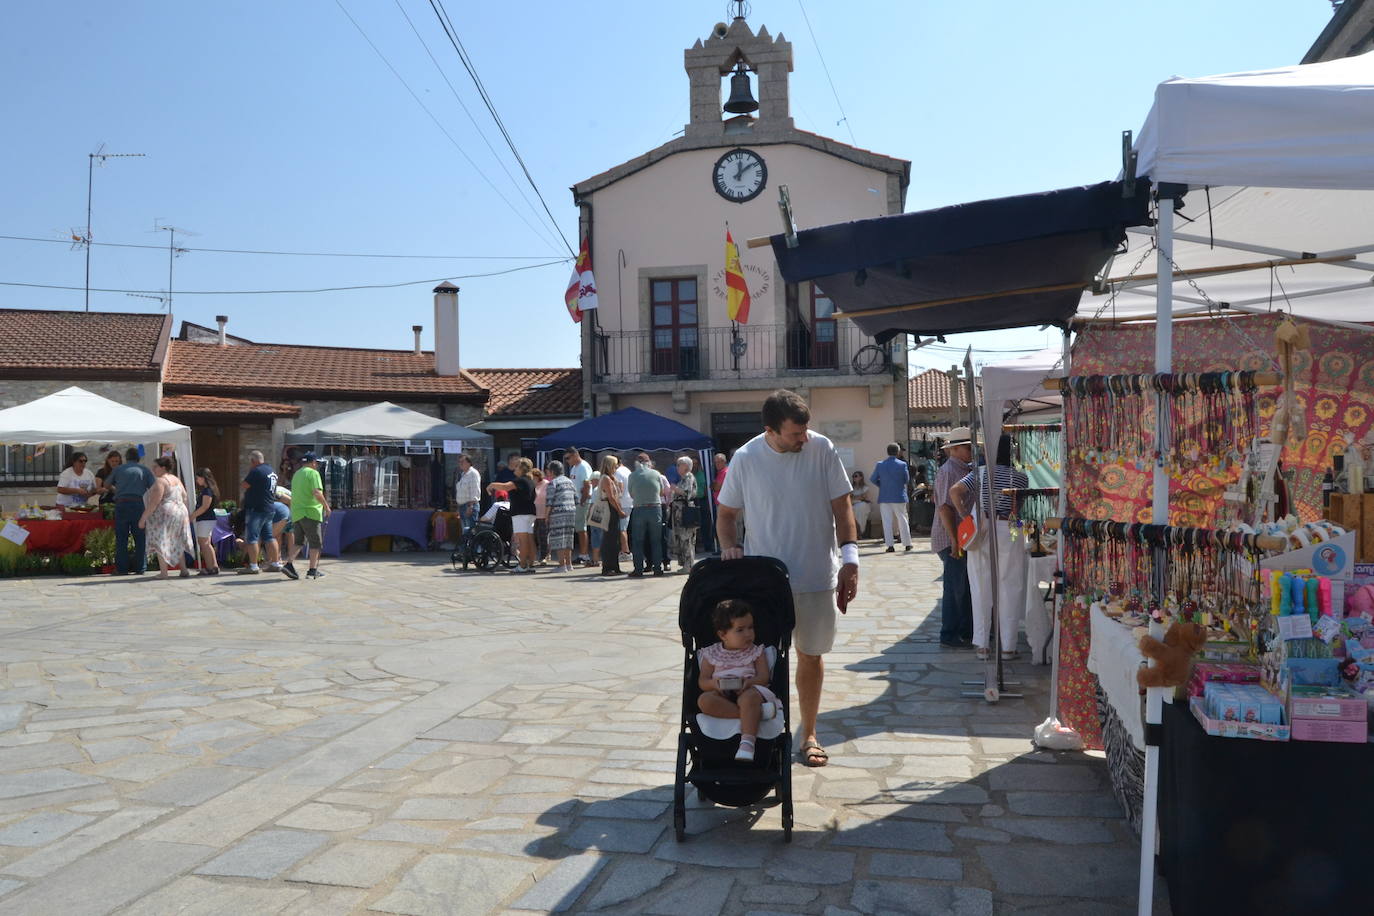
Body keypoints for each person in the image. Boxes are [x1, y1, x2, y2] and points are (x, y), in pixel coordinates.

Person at [717, 390, 857, 769]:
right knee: (763, 662)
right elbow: (726, 514)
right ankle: (764, 734)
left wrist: (851, 559)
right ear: (770, 431)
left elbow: (842, 505)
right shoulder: (746, 458)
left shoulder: (822, 448)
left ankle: (808, 733)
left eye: (806, 429)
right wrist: (730, 549)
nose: (804, 438)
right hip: (766, 583)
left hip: (816, 574)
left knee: (810, 655)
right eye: (796, 433)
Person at [951, 434, 1030, 660]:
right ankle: (1008, 646)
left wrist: (966, 516)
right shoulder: (1021, 478)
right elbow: (1020, 506)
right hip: (1009, 527)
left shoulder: (979, 474)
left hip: (982, 527)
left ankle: (983, 645)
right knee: (1010, 585)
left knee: (980, 585)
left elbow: (955, 491)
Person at [697, 599, 779, 763]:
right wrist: (715, 683)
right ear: (723, 635)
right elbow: (703, 681)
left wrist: (748, 683)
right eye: (740, 630)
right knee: (704, 700)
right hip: (722, 694)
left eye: (751, 628)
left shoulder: (756, 651)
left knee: (749, 698)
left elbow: (763, 677)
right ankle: (757, 714)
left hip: (749, 691)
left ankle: (747, 743)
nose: (748, 634)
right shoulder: (710, 654)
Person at [933, 428, 976, 649]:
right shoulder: (948, 470)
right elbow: (944, 508)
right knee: (955, 588)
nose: (971, 451)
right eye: (968, 447)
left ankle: (966, 631)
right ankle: (949, 633)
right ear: (954, 449)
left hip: (963, 536)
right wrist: (954, 539)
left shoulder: (965, 468)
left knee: (966, 586)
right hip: (953, 538)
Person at [138, 457, 195, 579]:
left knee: (160, 540)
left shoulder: (161, 481)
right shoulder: (177, 480)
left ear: (163, 468)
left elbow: (154, 502)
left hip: (165, 514)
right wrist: (185, 513)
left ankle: (164, 572)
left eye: (155, 467)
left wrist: (143, 518)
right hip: (180, 512)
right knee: (177, 540)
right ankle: (183, 569)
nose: (153, 469)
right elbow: (185, 497)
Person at [108, 447, 154, 575]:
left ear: (126, 458)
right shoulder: (144, 470)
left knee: (121, 538)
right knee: (139, 537)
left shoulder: (118, 469)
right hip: (138, 504)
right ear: (138, 458)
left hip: (122, 504)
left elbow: (106, 484)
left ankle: (122, 568)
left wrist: (117, 489)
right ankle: (140, 567)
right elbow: (154, 487)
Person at [289, 452, 331, 580]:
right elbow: (317, 492)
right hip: (311, 512)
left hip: (297, 512)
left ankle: (289, 564)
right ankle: (312, 570)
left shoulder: (297, 474)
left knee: (299, 542)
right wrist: (326, 506)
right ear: (313, 462)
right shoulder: (313, 473)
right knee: (315, 543)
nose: (317, 465)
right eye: (317, 463)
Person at [490, 457, 536, 572]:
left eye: (517, 466)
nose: (514, 468)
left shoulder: (520, 480)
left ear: (521, 468)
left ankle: (522, 565)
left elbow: (505, 487)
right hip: (530, 513)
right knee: (530, 539)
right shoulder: (530, 481)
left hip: (521, 513)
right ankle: (530, 564)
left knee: (523, 540)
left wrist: (491, 484)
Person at [239, 450, 280, 575]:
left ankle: (253, 566)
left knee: (252, 537)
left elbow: (244, 485)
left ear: (253, 461)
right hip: (269, 508)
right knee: (269, 537)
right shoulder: (271, 470)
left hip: (257, 509)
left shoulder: (256, 471)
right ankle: (275, 563)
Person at [627, 452, 666, 578]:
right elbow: (661, 491)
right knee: (656, 541)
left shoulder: (632, 475)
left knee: (638, 541)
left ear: (637, 463)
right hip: (655, 509)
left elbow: (631, 493)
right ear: (649, 462)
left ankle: (638, 569)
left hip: (639, 509)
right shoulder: (656, 474)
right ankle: (657, 569)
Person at [872, 442, 913, 553]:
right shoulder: (902, 464)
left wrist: (882, 486)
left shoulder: (880, 464)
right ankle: (907, 544)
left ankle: (890, 546)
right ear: (898, 451)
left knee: (887, 521)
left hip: (884, 496)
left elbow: (873, 479)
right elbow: (906, 480)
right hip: (899, 496)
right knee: (903, 520)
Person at [545, 460, 576, 573]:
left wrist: (546, 516)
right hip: (571, 511)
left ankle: (561, 565)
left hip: (558, 512)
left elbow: (549, 501)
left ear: (552, 471)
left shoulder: (553, 483)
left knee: (558, 538)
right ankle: (569, 564)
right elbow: (576, 498)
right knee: (568, 537)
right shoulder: (570, 481)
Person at [669, 455, 698, 573]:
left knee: (686, 538)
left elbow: (688, 494)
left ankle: (688, 565)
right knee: (682, 538)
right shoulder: (683, 478)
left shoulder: (688, 477)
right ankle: (686, 564)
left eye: (679, 465)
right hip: (679, 512)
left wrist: (675, 489)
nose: (677, 467)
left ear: (685, 466)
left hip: (684, 512)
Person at [596, 455, 624, 576]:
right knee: (609, 540)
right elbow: (611, 498)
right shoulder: (606, 479)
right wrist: (619, 511)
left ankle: (614, 565)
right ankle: (607, 567)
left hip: (612, 509)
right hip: (609, 509)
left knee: (615, 539)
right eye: (615, 465)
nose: (617, 467)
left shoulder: (611, 478)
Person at [565, 447, 592, 565]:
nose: (567, 461)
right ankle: (582, 553)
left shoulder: (583, 466)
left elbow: (587, 484)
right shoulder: (574, 468)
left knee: (581, 528)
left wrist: (583, 500)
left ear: (575, 455)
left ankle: (584, 555)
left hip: (582, 502)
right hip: (576, 501)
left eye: (568, 458)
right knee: (579, 528)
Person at [192, 468, 221, 576]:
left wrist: (192, 516)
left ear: (203, 478)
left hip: (205, 519)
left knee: (204, 543)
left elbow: (204, 507)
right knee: (206, 543)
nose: (197, 480)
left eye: (198, 478)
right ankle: (213, 566)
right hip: (207, 519)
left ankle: (210, 567)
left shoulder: (207, 491)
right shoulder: (209, 489)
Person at [691, 455, 713, 554]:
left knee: (705, 524)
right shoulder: (689, 476)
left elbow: (706, 486)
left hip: (703, 500)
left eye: (696, 463)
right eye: (693, 464)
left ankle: (707, 545)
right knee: (693, 524)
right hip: (693, 501)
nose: (694, 465)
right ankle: (694, 547)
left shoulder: (703, 474)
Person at [454, 453, 482, 532]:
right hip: (462, 506)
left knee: (470, 531)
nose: (460, 464)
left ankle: (473, 545)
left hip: (469, 506)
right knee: (465, 532)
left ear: (469, 463)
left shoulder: (473, 473)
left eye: (462, 461)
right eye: (459, 462)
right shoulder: (463, 474)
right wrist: (458, 508)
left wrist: (470, 507)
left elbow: (475, 491)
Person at [615, 454, 633, 561]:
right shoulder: (627, 470)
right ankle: (625, 550)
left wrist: (616, 497)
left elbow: (620, 488)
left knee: (622, 529)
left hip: (622, 503)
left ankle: (625, 551)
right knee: (624, 528)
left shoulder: (618, 472)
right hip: (629, 502)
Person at [849, 470, 874, 540]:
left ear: (861, 477)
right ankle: (855, 532)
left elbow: (865, 497)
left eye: (856, 476)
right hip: (854, 504)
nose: (854, 478)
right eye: (853, 476)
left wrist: (855, 497)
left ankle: (860, 532)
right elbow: (850, 498)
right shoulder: (851, 488)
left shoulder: (864, 487)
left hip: (863, 505)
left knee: (860, 507)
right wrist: (859, 497)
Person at [531, 468, 549, 564]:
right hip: (533, 514)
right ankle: (534, 555)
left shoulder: (546, 484)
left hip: (543, 513)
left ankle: (543, 556)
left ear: (538, 476)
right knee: (534, 536)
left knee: (543, 536)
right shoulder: (531, 485)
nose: (532, 479)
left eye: (534, 477)